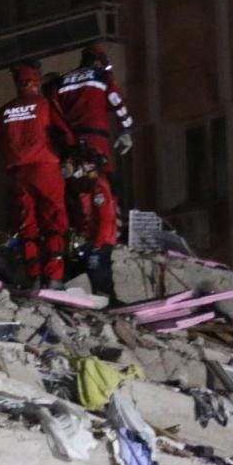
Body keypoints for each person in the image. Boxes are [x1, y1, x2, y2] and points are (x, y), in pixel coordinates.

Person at [52, 44, 133, 295]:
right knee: (105, 188)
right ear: (99, 62)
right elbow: (117, 102)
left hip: (72, 143)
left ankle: (82, 235)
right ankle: (109, 240)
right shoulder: (101, 77)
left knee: (78, 191)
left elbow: (55, 113)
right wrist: (127, 130)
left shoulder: (63, 81)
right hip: (96, 139)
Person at [0, 63, 71, 289]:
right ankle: (54, 277)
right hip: (45, 167)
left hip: (18, 172)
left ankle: (34, 276)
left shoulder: (4, 111)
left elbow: (2, 145)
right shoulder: (44, 104)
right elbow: (65, 134)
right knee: (54, 221)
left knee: (27, 223)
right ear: (35, 81)